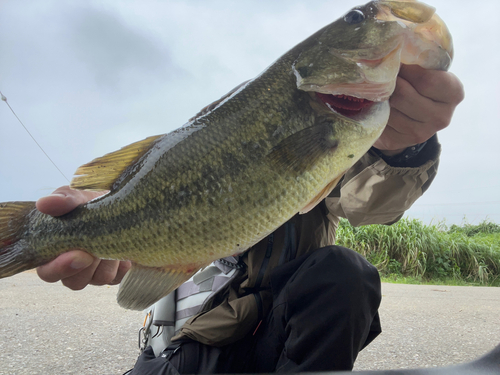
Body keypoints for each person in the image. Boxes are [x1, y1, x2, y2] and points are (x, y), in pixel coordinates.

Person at [35, 65, 464, 373]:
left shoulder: (321, 165)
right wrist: (103, 216)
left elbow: (371, 204)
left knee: (344, 274)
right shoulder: (187, 176)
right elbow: (139, 188)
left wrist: (403, 150)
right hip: (185, 347)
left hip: (274, 338)